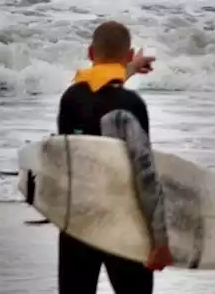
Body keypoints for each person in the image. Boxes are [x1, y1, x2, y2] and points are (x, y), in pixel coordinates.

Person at [57, 21, 172, 293]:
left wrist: (128, 70)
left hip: (77, 223)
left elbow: (98, 93)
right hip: (124, 223)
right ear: (129, 55)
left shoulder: (71, 98)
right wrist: (160, 241)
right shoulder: (132, 106)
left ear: (90, 53)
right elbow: (145, 173)